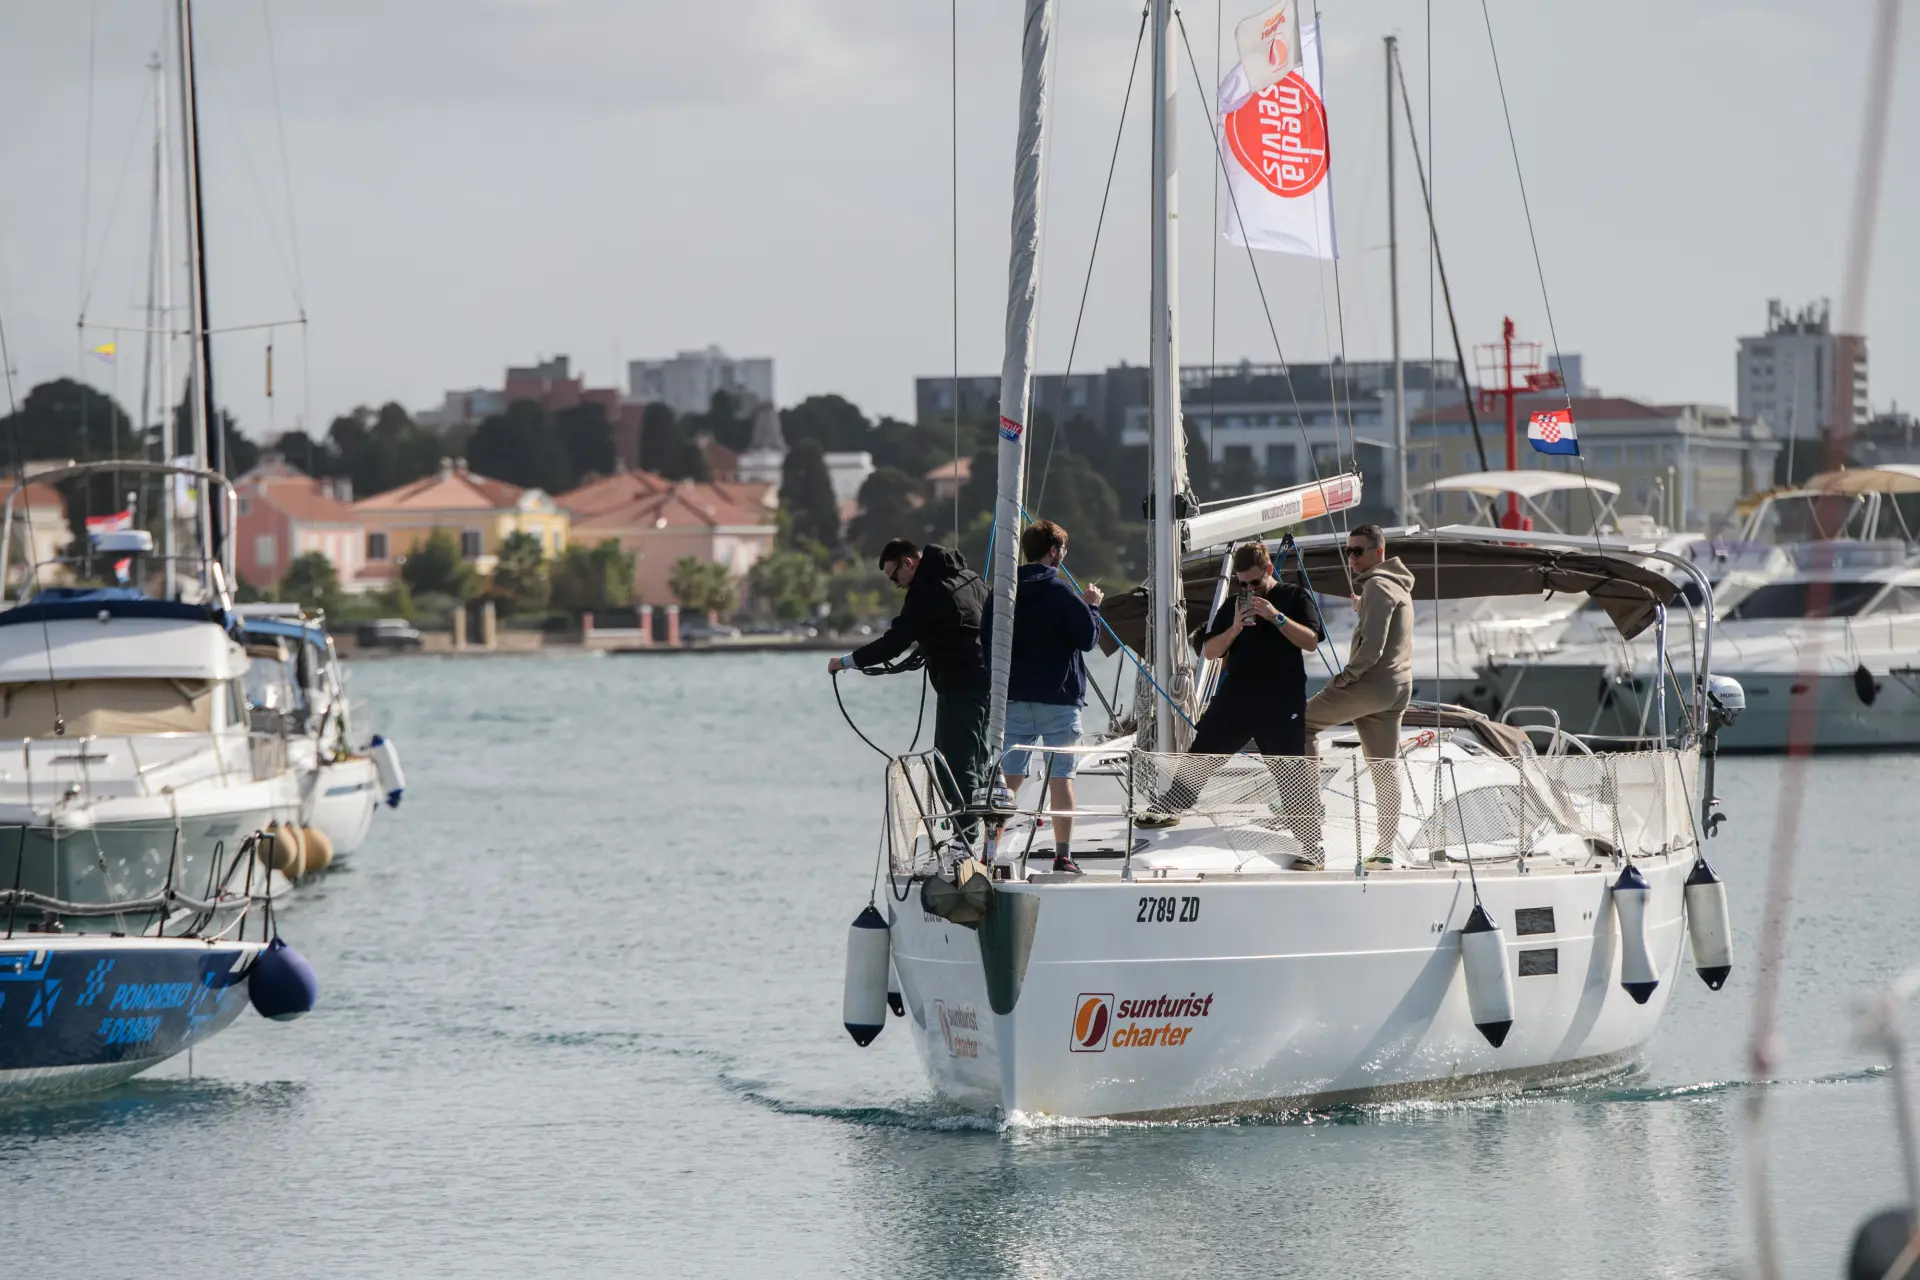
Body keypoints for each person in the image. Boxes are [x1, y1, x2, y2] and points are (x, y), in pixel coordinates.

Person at [1139, 541, 1325, 863]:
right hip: (1237, 698)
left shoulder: (1294, 597)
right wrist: (1235, 628)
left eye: (1255, 583)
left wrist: (1276, 617)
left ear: (1269, 570)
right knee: (1201, 753)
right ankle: (1170, 807)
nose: (1249, 590)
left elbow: (1310, 641)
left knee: (1290, 771)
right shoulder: (1233, 605)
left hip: (1281, 703)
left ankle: (1311, 845)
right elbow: (1211, 651)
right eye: (1243, 584)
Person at [828, 539, 991, 840]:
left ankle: (967, 838)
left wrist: (847, 662)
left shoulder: (925, 592)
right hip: (989, 682)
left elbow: (895, 642)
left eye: (895, 577)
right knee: (979, 758)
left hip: (959, 685)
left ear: (908, 562)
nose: (897, 585)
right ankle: (985, 828)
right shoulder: (971, 578)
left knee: (954, 763)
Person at [979, 519, 1104, 874]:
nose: (1063, 555)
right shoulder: (1061, 592)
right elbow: (1088, 639)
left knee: (1008, 781)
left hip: (1014, 699)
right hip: (1058, 701)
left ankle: (988, 854)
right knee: (1061, 777)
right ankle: (1062, 856)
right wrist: (1093, 606)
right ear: (1053, 551)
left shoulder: (1003, 593)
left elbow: (987, 642)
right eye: (1062, 549)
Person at [1305, 523, 1416, 865]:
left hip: (1369, 685)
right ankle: (1384, 851)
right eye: (1348, 551)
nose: (1351, 558)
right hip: (1397, 687)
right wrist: (1362, 607)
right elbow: (1387, 627)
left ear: (1378, 552)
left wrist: (1345, 678)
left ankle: (1303, 803)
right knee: (1384, 767)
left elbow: (1373, 647)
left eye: (1358, 551)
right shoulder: (1395, 585)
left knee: (1300, 723)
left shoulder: (1378, 586)